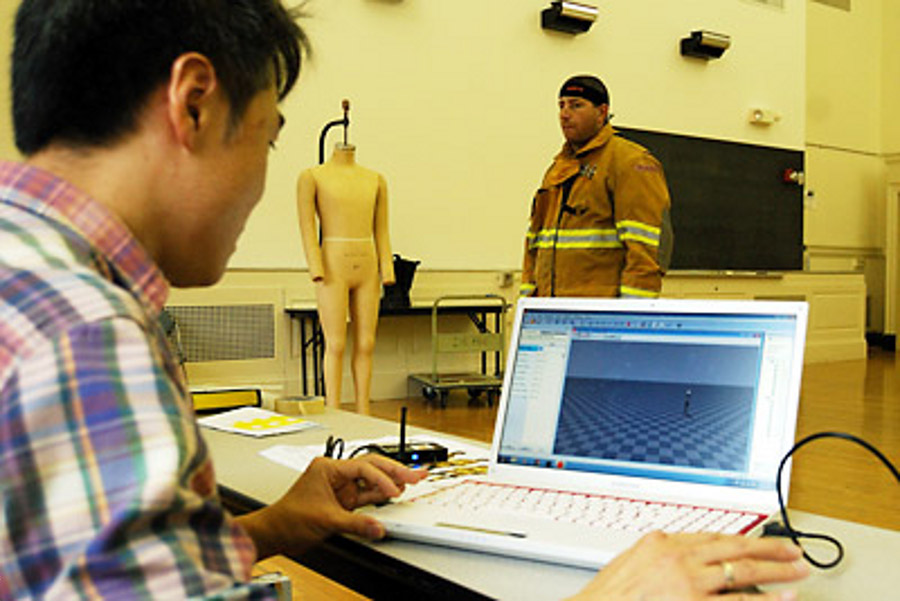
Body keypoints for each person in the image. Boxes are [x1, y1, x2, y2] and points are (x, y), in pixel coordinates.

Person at [0, 3, 808, 598]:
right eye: (270, 136)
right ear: (194, 102)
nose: (264, 181)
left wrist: (276, 524)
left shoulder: (32, 277)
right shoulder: (89, 338)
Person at [521, 75, 671, 299]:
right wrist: (528, 303)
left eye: (576, 105)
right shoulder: (557, 170)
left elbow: (646, 252)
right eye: (561, 105)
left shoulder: (631, 162)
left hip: (600, 317)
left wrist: (630, 314)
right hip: (551, 314)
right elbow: (534, 246)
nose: (564, 114)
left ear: (602, 112)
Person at [296, 142, 395, 414]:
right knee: (336, 343)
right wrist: (315, 265)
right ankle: (334, 409)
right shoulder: (312, 176)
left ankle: (364, 410)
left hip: (367, 263)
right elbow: (307, 227)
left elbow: (382, 230)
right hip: (332, 265)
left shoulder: (375, 180)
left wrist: (387, 267)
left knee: (366, 343)